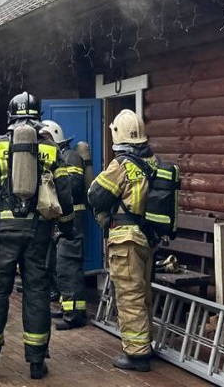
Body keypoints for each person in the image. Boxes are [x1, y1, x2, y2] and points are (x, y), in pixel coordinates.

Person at [0, 92, 75, 381]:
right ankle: (35, 363)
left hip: (2, 234)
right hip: (38, 234)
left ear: (10, 116)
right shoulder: (51, 148)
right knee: (37, 294)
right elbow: (65, 193)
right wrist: (67, 227)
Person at [87, 109, 157, 372]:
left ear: (118, 134)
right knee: (143, 292)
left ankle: (137, 355)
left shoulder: (122, 165)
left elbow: (96, 195)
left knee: (129, 295)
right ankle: (146, 344)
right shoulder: (152, 163)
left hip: (125, 239)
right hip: (147, 238)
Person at [39, 120, 88, 330]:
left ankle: (75, 314)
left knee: (69, 266)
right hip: (61, 221)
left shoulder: (71, 157)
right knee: (59, 266)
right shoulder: (59, 157)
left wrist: (52, 180)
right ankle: (67, 307)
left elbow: (75, 187)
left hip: (73, 220)